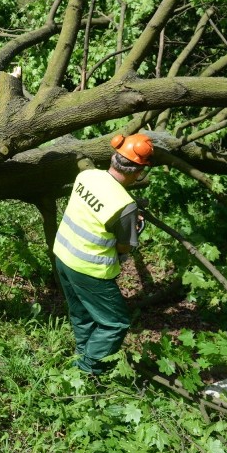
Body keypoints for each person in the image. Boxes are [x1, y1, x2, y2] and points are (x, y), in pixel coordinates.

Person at [53, 132, 154, 376]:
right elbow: (123, 247)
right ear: (138, 171)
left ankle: (82, 355)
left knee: (81, 313)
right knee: (114, 323)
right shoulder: (125, 206)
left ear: (113, 157)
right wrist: (135, 227)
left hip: (63, 255)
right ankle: (88, 371)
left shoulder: (86, 176)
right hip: (91, 269)